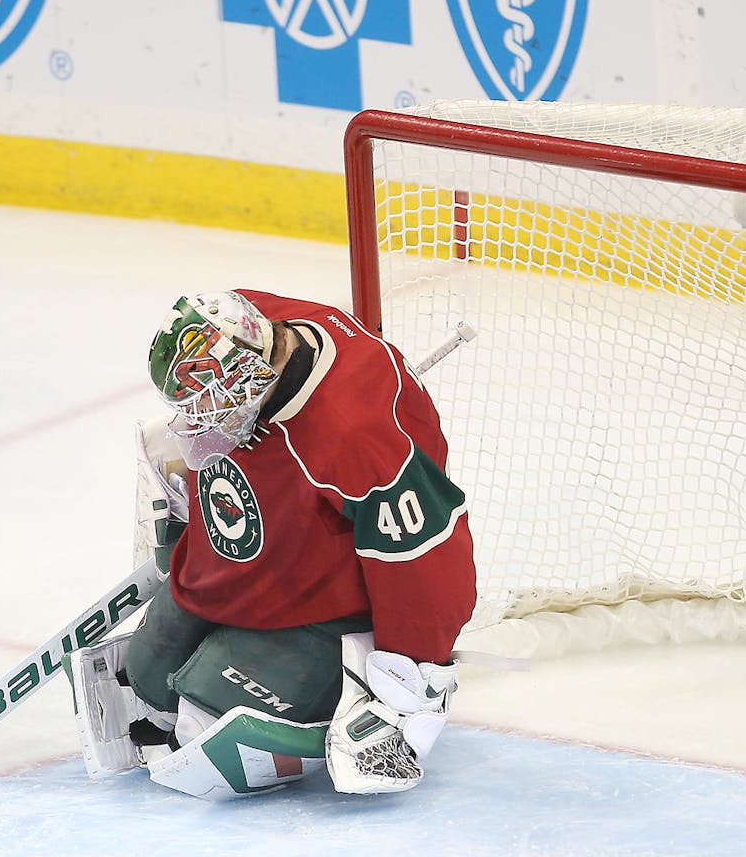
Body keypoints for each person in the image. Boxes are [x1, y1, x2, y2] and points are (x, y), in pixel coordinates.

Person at [68, 290, 477, 799]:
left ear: (251, 374)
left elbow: (429, 558)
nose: (201, 419)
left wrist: (411, 681)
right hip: (251, 558)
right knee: (148, 685)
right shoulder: (255, 322)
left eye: (211, 403)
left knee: (202, 738)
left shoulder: (355, 435)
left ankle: (344, 665)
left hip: (323, 603)